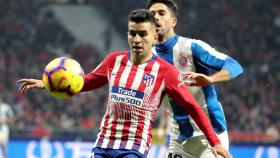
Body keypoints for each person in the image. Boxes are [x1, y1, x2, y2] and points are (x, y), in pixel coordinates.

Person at [17, 9, 231, 158]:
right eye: (132, 33)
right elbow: (87, 82)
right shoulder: (114, 60)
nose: (137, 39)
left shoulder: (166, 72)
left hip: (134, 148)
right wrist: (50, 82)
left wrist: (214, 142)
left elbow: (194, 108)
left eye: (143, 34)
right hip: (103, 142)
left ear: (155, 37)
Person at [147, 0, 243, 157]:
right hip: (179, 139)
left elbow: (234, 65)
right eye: (151, 15)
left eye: (161, 13)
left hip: (211, 135)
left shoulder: (191, 47)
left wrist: (210, 79)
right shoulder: (147, 58)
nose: (156, 17)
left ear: (173, 21)